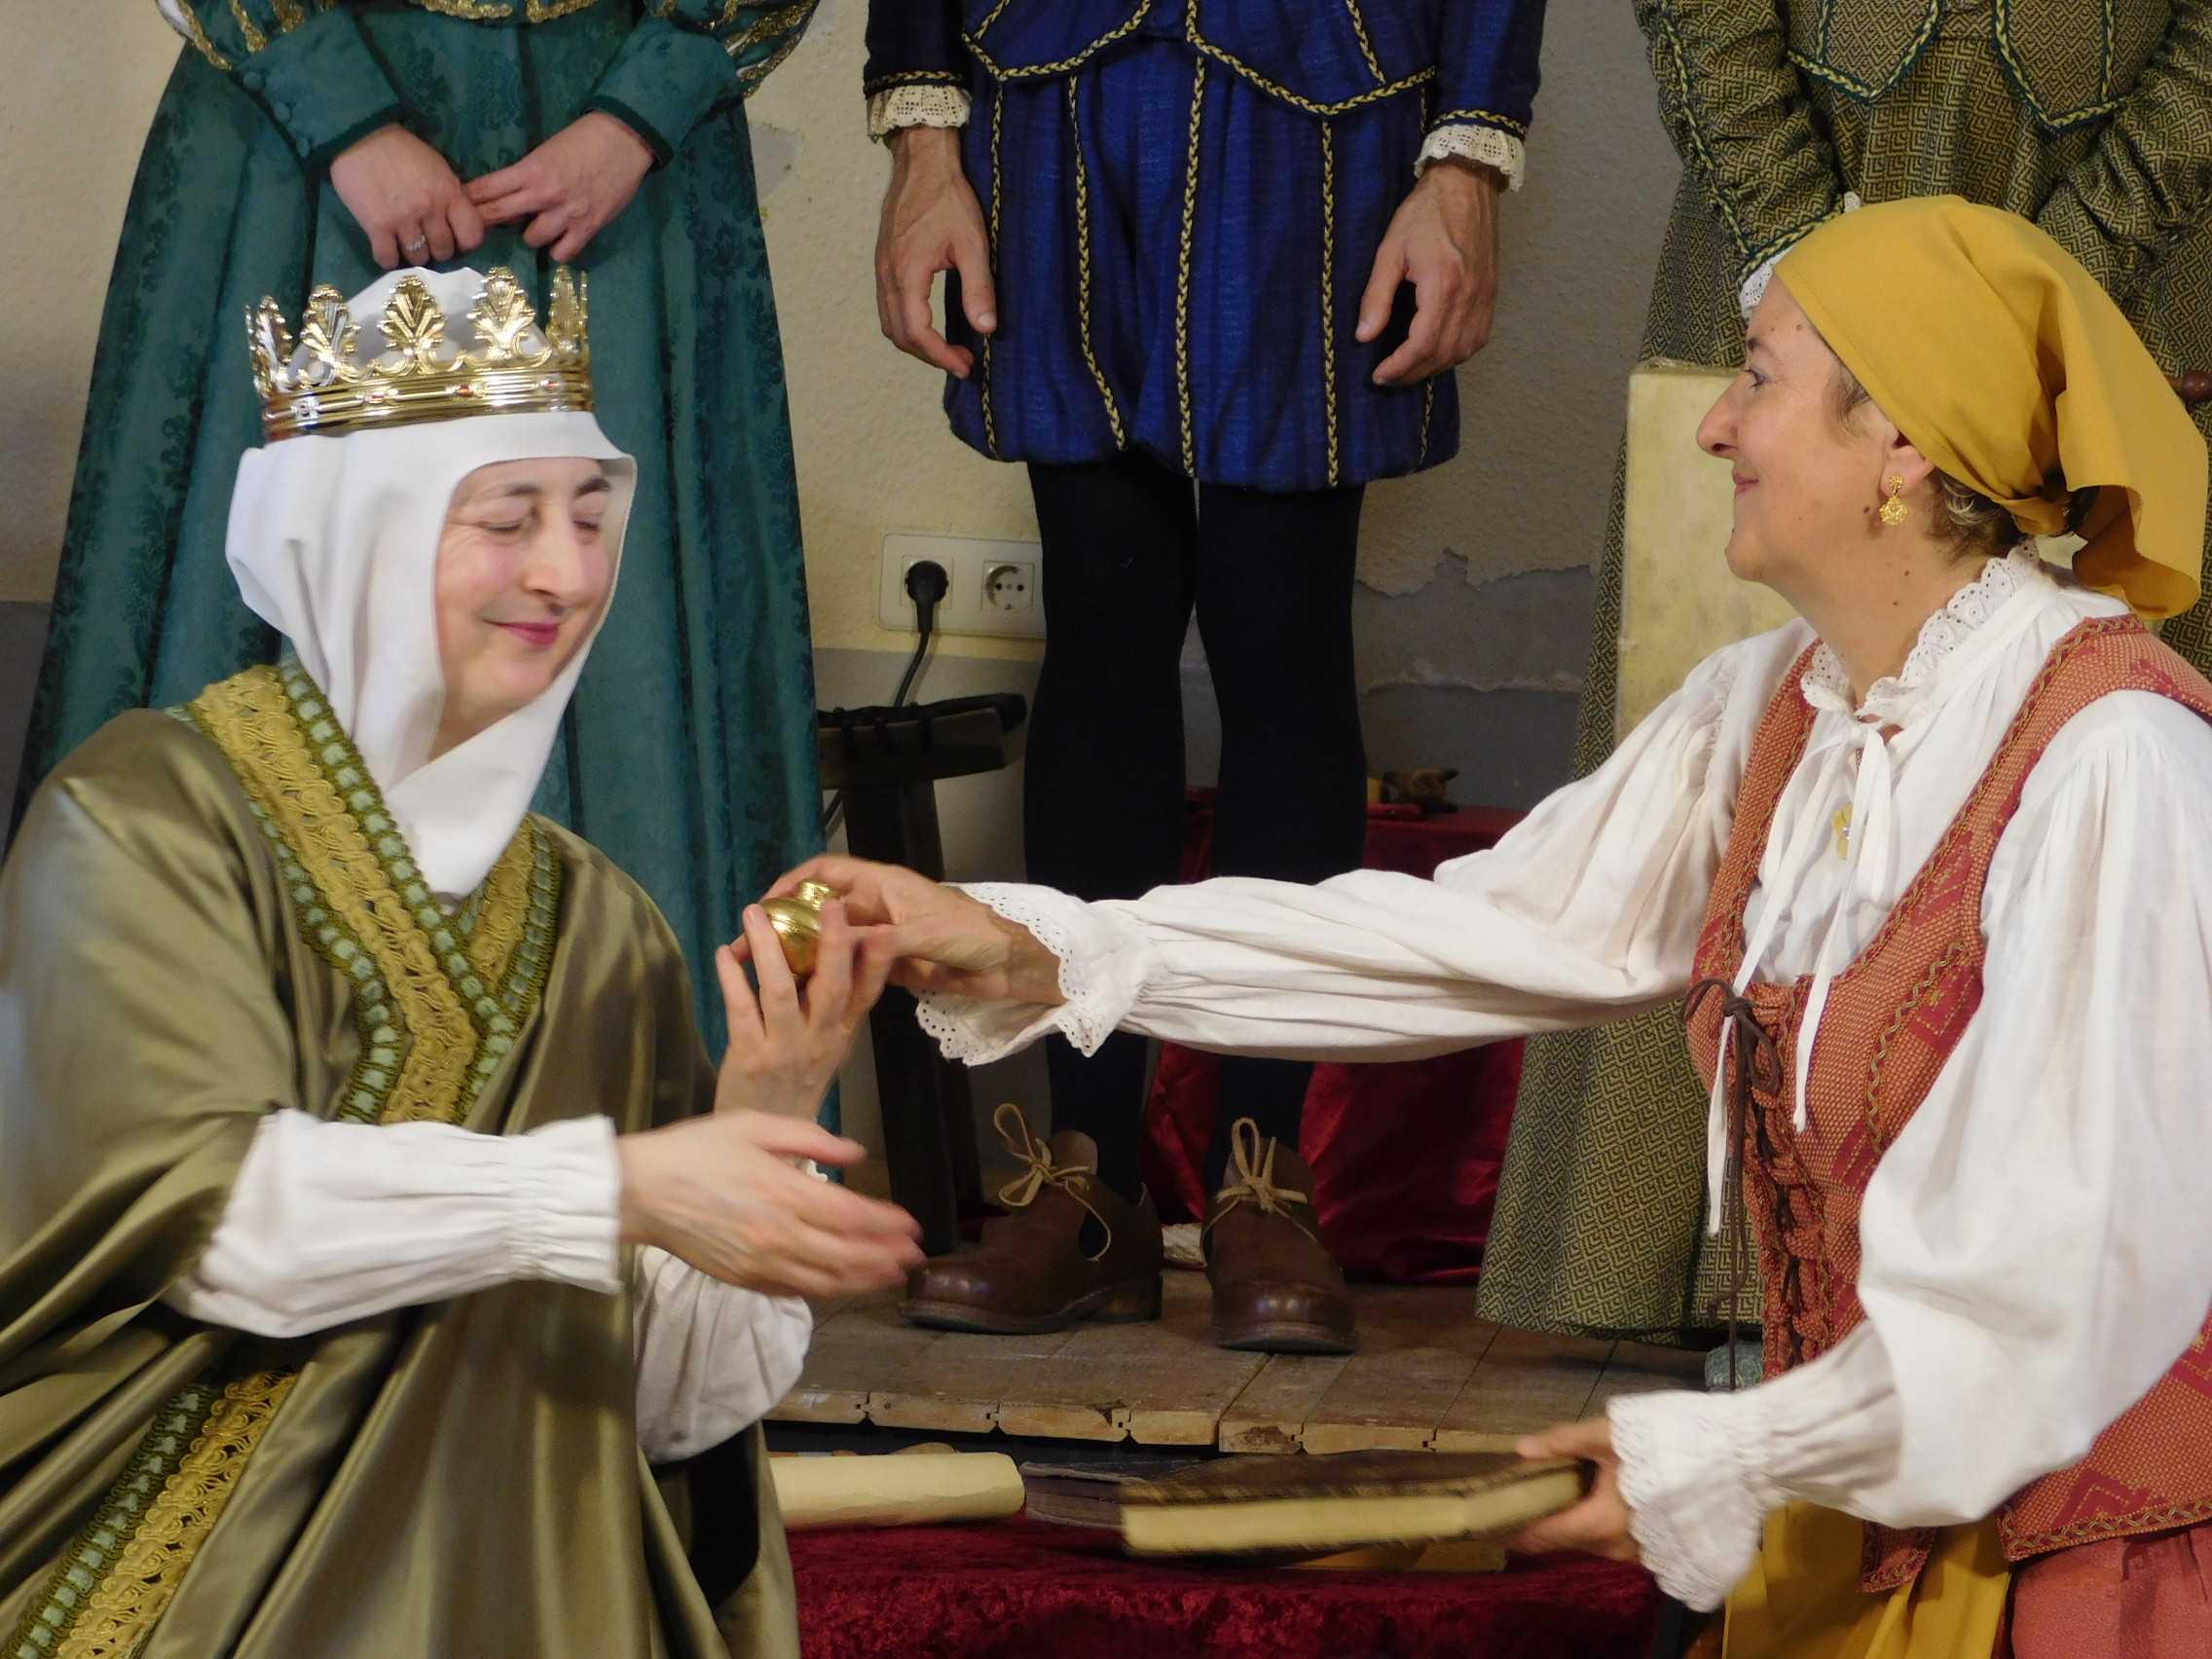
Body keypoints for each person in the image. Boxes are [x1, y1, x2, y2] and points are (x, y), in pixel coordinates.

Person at [765, 199, 2212, 1654]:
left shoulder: (2114, 760)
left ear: (1898, 444)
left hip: (2094, 1564)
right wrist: (1046, 948)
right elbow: (1485, 933)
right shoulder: (1782, 705)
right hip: (1859, 1524)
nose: (1717, 426)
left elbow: (2072, 1271)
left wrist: (1728, 1452)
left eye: (1759, 378)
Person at [0, 266, 923, 1659]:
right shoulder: (148, 815)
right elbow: (206, 1225)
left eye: (591, 518)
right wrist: (614, 1188)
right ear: (356, 540)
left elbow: (667, 1413)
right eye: (508, 519)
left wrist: (767, 1111)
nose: (568, 573)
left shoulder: (600, 922)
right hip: (190, 1582)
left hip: (538, 1595)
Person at [1490, 0, 2212, 1353]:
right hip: (1799, 178)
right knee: (1753, 735)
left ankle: (2021, 1303)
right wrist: (1810, 264)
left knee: (2085, 778)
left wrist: (2052, 288)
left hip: (2132, 216)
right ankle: (1719, 1278)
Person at [863, 0, 1547, 1353]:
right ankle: (1091, 1186)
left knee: (1281, 636)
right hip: (1048, 85)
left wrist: (1467, 158)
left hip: (1323, 96)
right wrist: (923, 136)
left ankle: (1260, 1178)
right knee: (1099, 626)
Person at [18, 0, 824, 1049]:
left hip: (617, 155)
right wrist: (337, 109)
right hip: (305, 151)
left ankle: (628, 1112)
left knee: (619, 639)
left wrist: (643, 108)